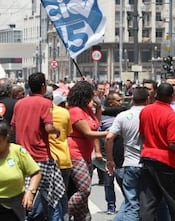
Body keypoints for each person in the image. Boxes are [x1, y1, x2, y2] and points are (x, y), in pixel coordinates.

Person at [139, 83, 175, 220]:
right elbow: (173, 144)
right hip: (166, 162)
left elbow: (142, 134)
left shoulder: (145, 111)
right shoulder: (171, 115)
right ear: (172, 96)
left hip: (147, 158)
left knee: (148, 202)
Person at [11, 72, 64, 221]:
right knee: (53, 199)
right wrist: (57, 130)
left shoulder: (19, 103)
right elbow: (48, 128)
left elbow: (13, 128)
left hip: (22, 157)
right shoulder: (46, 103)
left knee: (26, 198)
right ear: (43, 87)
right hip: (41, 157)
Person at [66, 81, 109, 221]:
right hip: (75, 153)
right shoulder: (75, 111)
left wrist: (99, 109)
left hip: (86, 153)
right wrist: (110, 133)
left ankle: (82, 217)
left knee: (84, 192)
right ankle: (64, 211)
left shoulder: (87, 110)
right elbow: (88, 133)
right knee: (85, 189)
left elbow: (96, 125)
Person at [105, 87, 149, 221]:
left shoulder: (123, 116)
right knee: (145, 202)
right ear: (147, 99)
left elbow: (108, 138)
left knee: (131, 202)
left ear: (132, 99)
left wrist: (110, 160)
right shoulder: (151, 114)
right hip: (148, 163)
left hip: (129, 164)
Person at [0, 121, 41, 221]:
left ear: (6, 138)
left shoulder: (18, 151)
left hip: (15, 205)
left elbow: (36, 173)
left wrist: (30, 192)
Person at [44, 88, 72, 221]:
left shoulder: (40, 113)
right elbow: (68, 133)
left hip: (46, 160)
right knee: (62, 195)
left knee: (46, 197)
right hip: (64, 158)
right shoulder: (64, 113)